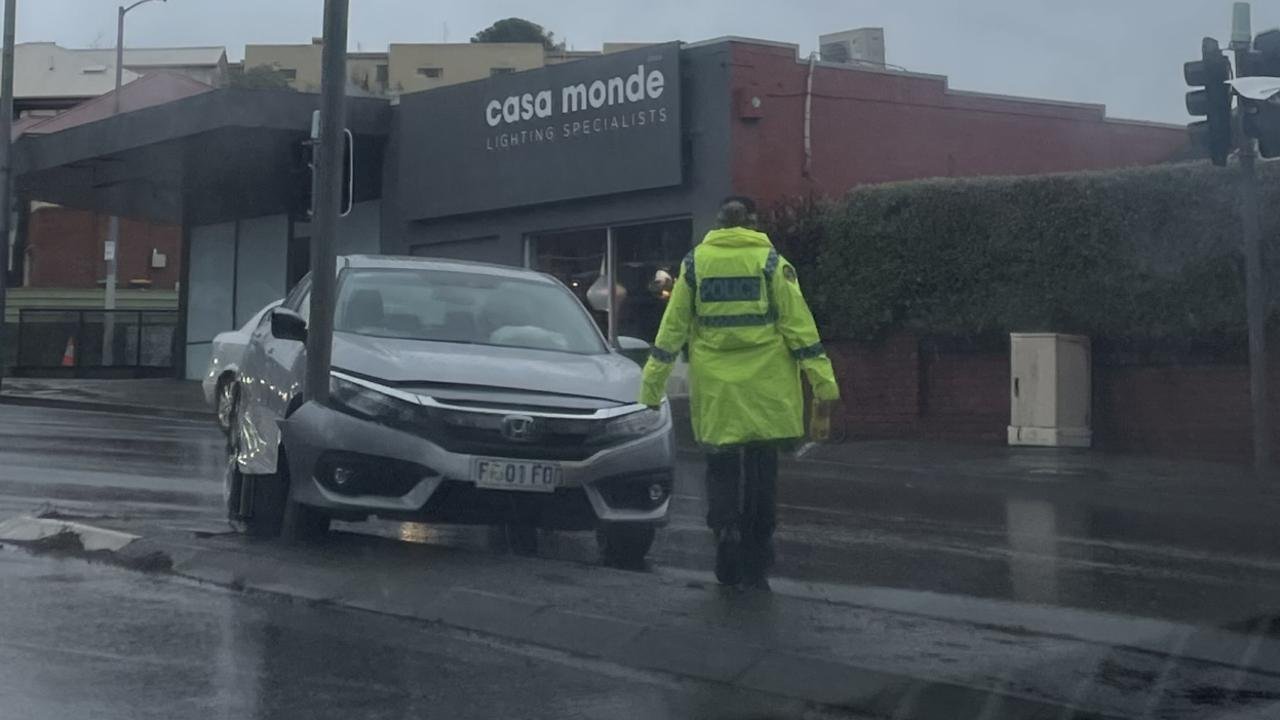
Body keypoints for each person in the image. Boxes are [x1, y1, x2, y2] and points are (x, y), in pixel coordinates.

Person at [639, 196, 841, 591]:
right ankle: (757, 547)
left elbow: (672, 328)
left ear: (718, 224)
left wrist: (651, 385)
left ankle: (726, 531)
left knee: (722, 465)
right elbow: (799, 326)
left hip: (718, 389)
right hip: (767, 387)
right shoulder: (771, 263)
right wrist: (823, 383)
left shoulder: (695, 264)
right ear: (753, 223)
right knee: (763, 468)